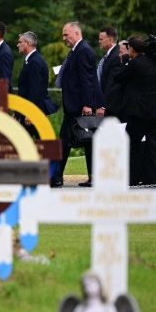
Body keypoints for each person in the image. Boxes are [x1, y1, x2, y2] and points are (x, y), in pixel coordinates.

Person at [53, 22, 103, 188]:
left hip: (80, 107)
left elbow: (87, 80)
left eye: (66, 34)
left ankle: (58, 177)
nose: (64, 38)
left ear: (76, 33)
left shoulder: (84, 51)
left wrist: (88, 105)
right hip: (73, 106)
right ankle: (59, 176)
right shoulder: (76, 51)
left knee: (85, 141)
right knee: (71, 142)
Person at [115, 36, 156, 186]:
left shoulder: (135, 64)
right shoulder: (155, 63)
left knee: (131, 146)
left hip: (139, 113)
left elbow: (119, 78)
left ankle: (131, 179)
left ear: (131, 48)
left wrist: (125, 61)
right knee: (154, 148)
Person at [16, 31, 57, 138]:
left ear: (28, 43)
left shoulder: (34, 62)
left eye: (20, 42)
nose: (18, 45)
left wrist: (30, 113)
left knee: (36, 143)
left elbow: (35, 90)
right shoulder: (32, 60)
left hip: (32, 112)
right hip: (29, 111)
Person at [96, 26, 122, 118]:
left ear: (110, 40)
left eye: (101, 39)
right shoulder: (110, 55)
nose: (99, 41)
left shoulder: (116, 56)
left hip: (112, 109)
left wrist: (103, 106)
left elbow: (112, 85)